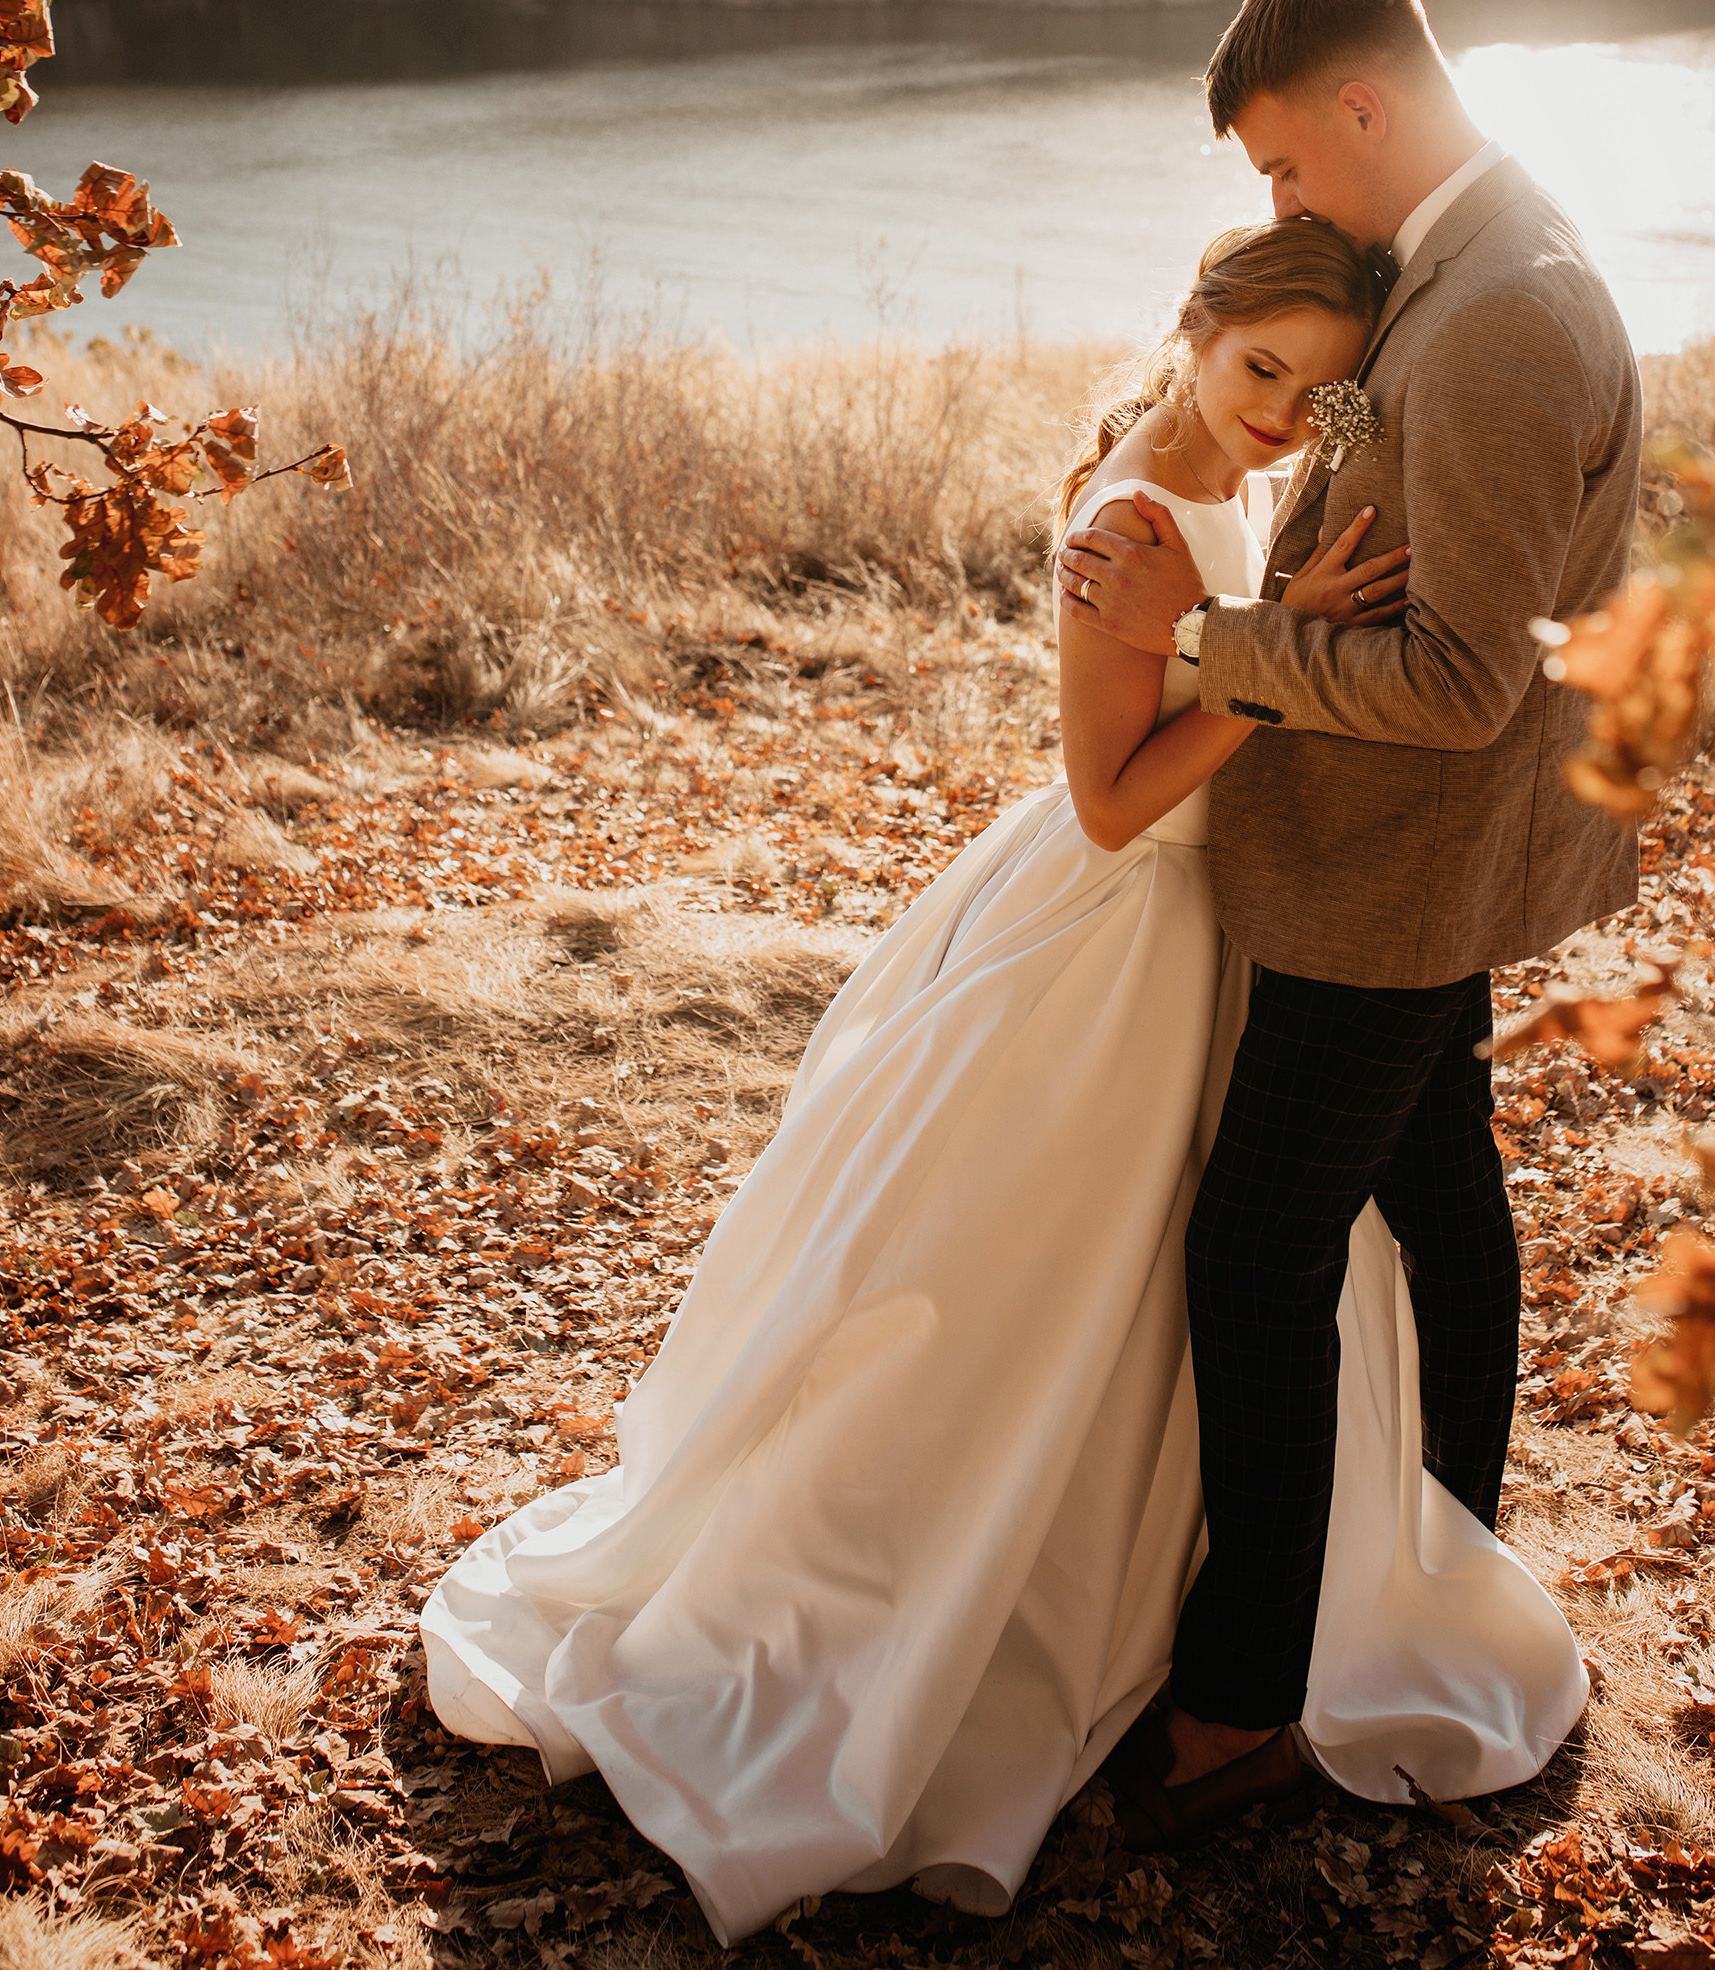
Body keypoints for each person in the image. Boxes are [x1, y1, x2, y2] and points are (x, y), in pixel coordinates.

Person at [419, 210, 1587, 1947]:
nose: (1283, 413)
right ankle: (950, 1612)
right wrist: (1280, 655)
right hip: (1125, 931)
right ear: (1196, 327)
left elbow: (1288, 587)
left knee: (1188, 1294)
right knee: (1031, 1283)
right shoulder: (1135, 519)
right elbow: (1115, 801)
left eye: (1319, 392)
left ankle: (1166, 1603)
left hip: (1235, 926)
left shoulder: (1253, 478)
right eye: (1260, 369)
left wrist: (1293, 609)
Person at [1057, 0, 1641, 1848]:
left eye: (1288, 169)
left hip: (1393, 880)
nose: (1281, 206)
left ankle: (1239, 1704)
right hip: (1391, 865)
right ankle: (1450, 1572)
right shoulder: (1457, 272)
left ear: (1363, 109)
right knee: (1448, 1205)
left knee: (1254, 1256)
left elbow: (1464, 683)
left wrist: (1212, 638)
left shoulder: (1498, 317)